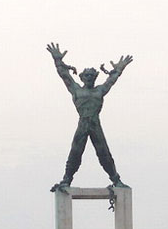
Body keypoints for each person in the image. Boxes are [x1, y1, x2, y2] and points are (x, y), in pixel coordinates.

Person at [47, 42, 133, 188]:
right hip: (83, 124)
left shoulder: (99, 91)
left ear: (95, 77)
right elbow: (64, 76)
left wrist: (119, 69)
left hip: (95, 124)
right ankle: (67, 179)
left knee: (104, 152)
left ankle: (116, 180)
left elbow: (111, 81)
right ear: (81, 77)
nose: (89, 77)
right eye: (86, 75)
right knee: (75, 152)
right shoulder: (76, 90)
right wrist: (57, 60)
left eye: (91, 75)